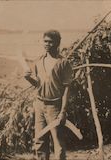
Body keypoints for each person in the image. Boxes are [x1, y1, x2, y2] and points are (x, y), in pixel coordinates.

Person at [24, 30, 73, 160]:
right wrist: (28, 79)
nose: (47, 44)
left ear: (57, 43)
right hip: (40, 104)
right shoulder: (38, 61)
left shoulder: (63, 63)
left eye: (50, 42)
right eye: (45, 41)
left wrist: (63, 111)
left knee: (58, 142)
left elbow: (67, 89)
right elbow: (38, 84)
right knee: (39, 140)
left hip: (55, 107)